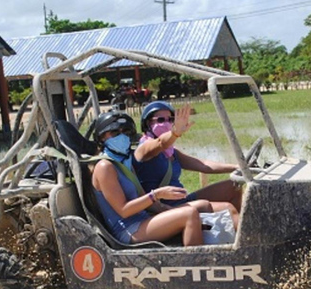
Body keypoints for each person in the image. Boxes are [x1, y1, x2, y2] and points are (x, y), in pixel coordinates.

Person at [91, 110, 206, 247]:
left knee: (203, 206)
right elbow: (124, 210)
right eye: (115, 133)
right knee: (189, 214)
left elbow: (147, 201)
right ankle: (196, 263)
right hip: (128, 230)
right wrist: (157, 194)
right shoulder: (105, 167)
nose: (122, 137)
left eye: (126, 132)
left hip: (143, 219)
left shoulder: (125, 162)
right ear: (102, 138)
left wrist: (168, 210)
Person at [134, 101, 243, 212]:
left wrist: (238, 167)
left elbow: (204, 165)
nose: (166, 123)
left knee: (234, 186)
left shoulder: (171, 152)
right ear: (148, 123)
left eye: (171, 119)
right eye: (161, 120)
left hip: (183, 201)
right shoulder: (143, 149)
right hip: (165, 209)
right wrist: (175, 133)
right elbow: (161, 143)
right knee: (227, 209)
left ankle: (241, 225)